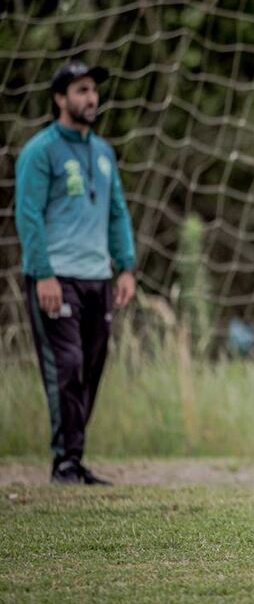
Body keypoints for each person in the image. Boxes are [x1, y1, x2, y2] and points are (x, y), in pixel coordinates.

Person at [14, 60, 137, 484]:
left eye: (93, 90)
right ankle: (64, 462)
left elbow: (116, 212)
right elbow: (28, 215)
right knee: (66, 364)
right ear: (59, 98)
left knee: (91, 366)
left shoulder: (103, 153)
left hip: (96, 276)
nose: (91, 98)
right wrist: (43, 273)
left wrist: (126, 266)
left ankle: (75, 459)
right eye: (81, 90)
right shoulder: (39, 151)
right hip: (55, 277)